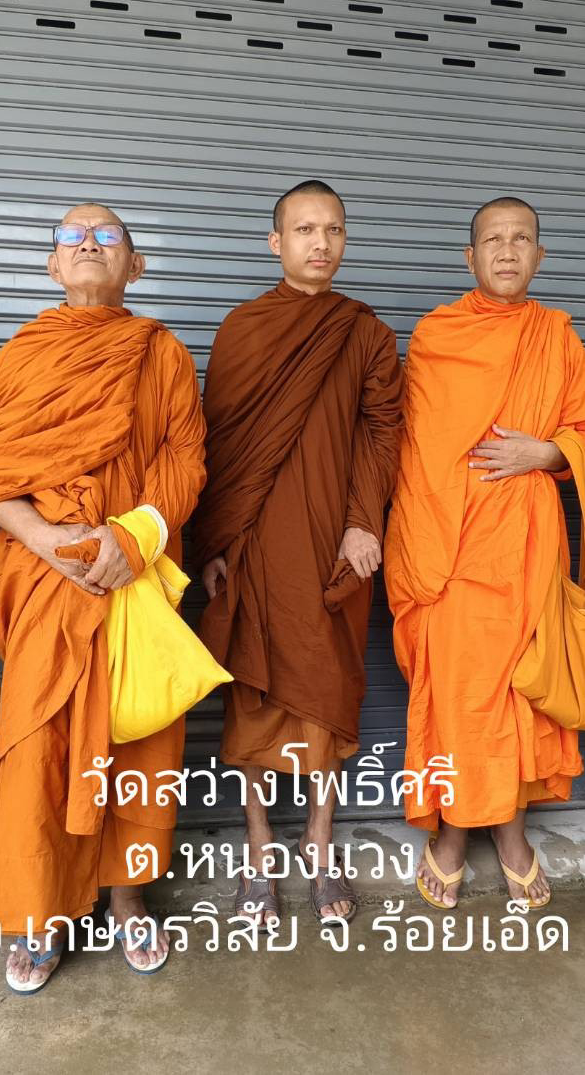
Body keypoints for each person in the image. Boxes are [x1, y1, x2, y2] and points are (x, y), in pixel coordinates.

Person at [0, 204, 207, 990]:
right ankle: (39, 909)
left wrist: (131, 538)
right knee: (39, 740)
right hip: (42, 573)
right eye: (72, 237)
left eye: (107, 237)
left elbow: (184, 460)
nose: (89, 246)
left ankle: (127, 898)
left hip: (132, 568)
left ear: (135, 266)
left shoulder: (161, 352)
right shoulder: (19, 356)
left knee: (137, 738)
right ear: (51, 266)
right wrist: (47, 541)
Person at [194, 180, 402, 927]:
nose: (321, 243)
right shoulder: (242, 328)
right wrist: (215, 540)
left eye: (333, 230)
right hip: (254, 544)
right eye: (305, 230)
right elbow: (217, 444)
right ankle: (258, 849)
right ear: (275, 242)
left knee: (327, 689)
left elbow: (383, 433)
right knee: (251, 692)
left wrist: (364, 523)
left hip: (332, 543)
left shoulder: (364, 333)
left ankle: (319, 843)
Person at [384, 197, 585, 910]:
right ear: (469, 257)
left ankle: (510, 833)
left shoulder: (557, 337)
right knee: (457, 692)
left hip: (526, 544)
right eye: (492, 240)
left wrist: (546, 453)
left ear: (539, 255)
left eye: (521, 239)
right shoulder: (436, 335)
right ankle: (452, 831)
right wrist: (421, 546)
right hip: (447, 548)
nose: (507, 251)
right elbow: (414, 450)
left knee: (518, 690)